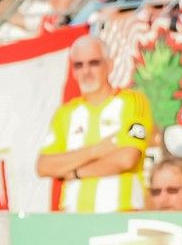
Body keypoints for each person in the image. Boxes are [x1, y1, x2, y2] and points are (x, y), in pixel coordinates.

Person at [37, 35, 153, 212]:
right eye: (79, 65)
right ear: (73, 71)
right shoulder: (65, 112)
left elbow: (126, 158)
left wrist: (74, 172)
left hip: (121, 214)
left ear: (109, 65)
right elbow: (44, 166)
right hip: (74, 218)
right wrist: (97, 150)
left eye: (94, 63)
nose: (86, 71)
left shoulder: (133, 101)